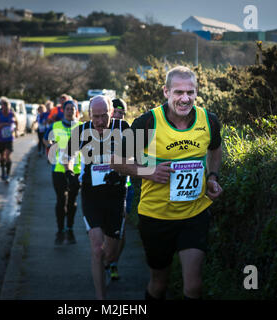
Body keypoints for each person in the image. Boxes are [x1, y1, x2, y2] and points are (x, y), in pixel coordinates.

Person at [110, 66, 223, 300]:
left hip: (194, 214)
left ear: (196, 92)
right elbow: (116, 162)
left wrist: (212, 177)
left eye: (190, 92)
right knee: (159, 283)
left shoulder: (208, 121)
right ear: (166, 92)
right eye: (178, 92)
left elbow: (215, 148)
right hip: (156, 217)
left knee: (193, 287)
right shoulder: (148, 122)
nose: (185, 98)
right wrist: (149, 172)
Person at [65, 95, 130, 300]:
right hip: (92, 195)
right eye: (96, 117)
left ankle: (104, 268)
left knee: (110, 253)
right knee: (96, 248)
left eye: (104, 116)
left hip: (116, 195)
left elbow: (134, 157)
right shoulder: (82, 131)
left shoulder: (123, 127)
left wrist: (120, 170)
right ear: (89, 114)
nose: (100, 122)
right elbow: (68, 156)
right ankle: (101, 299)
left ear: (111, 112)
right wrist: (70, 172)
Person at [44, 100, 82, 245]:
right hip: (59, 170)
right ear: (63, 110)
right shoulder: (56, 125)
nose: (70, 111)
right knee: (61, 200)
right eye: (67, 109)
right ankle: (60, 230)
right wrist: (52, 146)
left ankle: (70, 228)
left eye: (73, 109)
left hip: (76, 170)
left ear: (76, 111)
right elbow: (45, 139)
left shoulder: (81, 127)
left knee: (72, 201)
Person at [107, 97, 130, 281]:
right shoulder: (99, 128)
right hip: (102, 185)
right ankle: (105, 260)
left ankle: (114, 262)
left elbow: (135, 155)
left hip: (124, 184)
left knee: (121, 229)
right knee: (106, 227)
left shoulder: (127, 128)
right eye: (116, 112)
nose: (119, 116)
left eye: (122, 113)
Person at [0, 96, 18, 182]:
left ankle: (8, 174)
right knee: (2, 156)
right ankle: (3, 171)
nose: (5, 107)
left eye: (6, 105)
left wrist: (15, 130)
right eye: (3, 105)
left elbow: (16, 122)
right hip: (0, 139)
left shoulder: (11, 113)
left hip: (9, 138)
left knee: (7, 155)